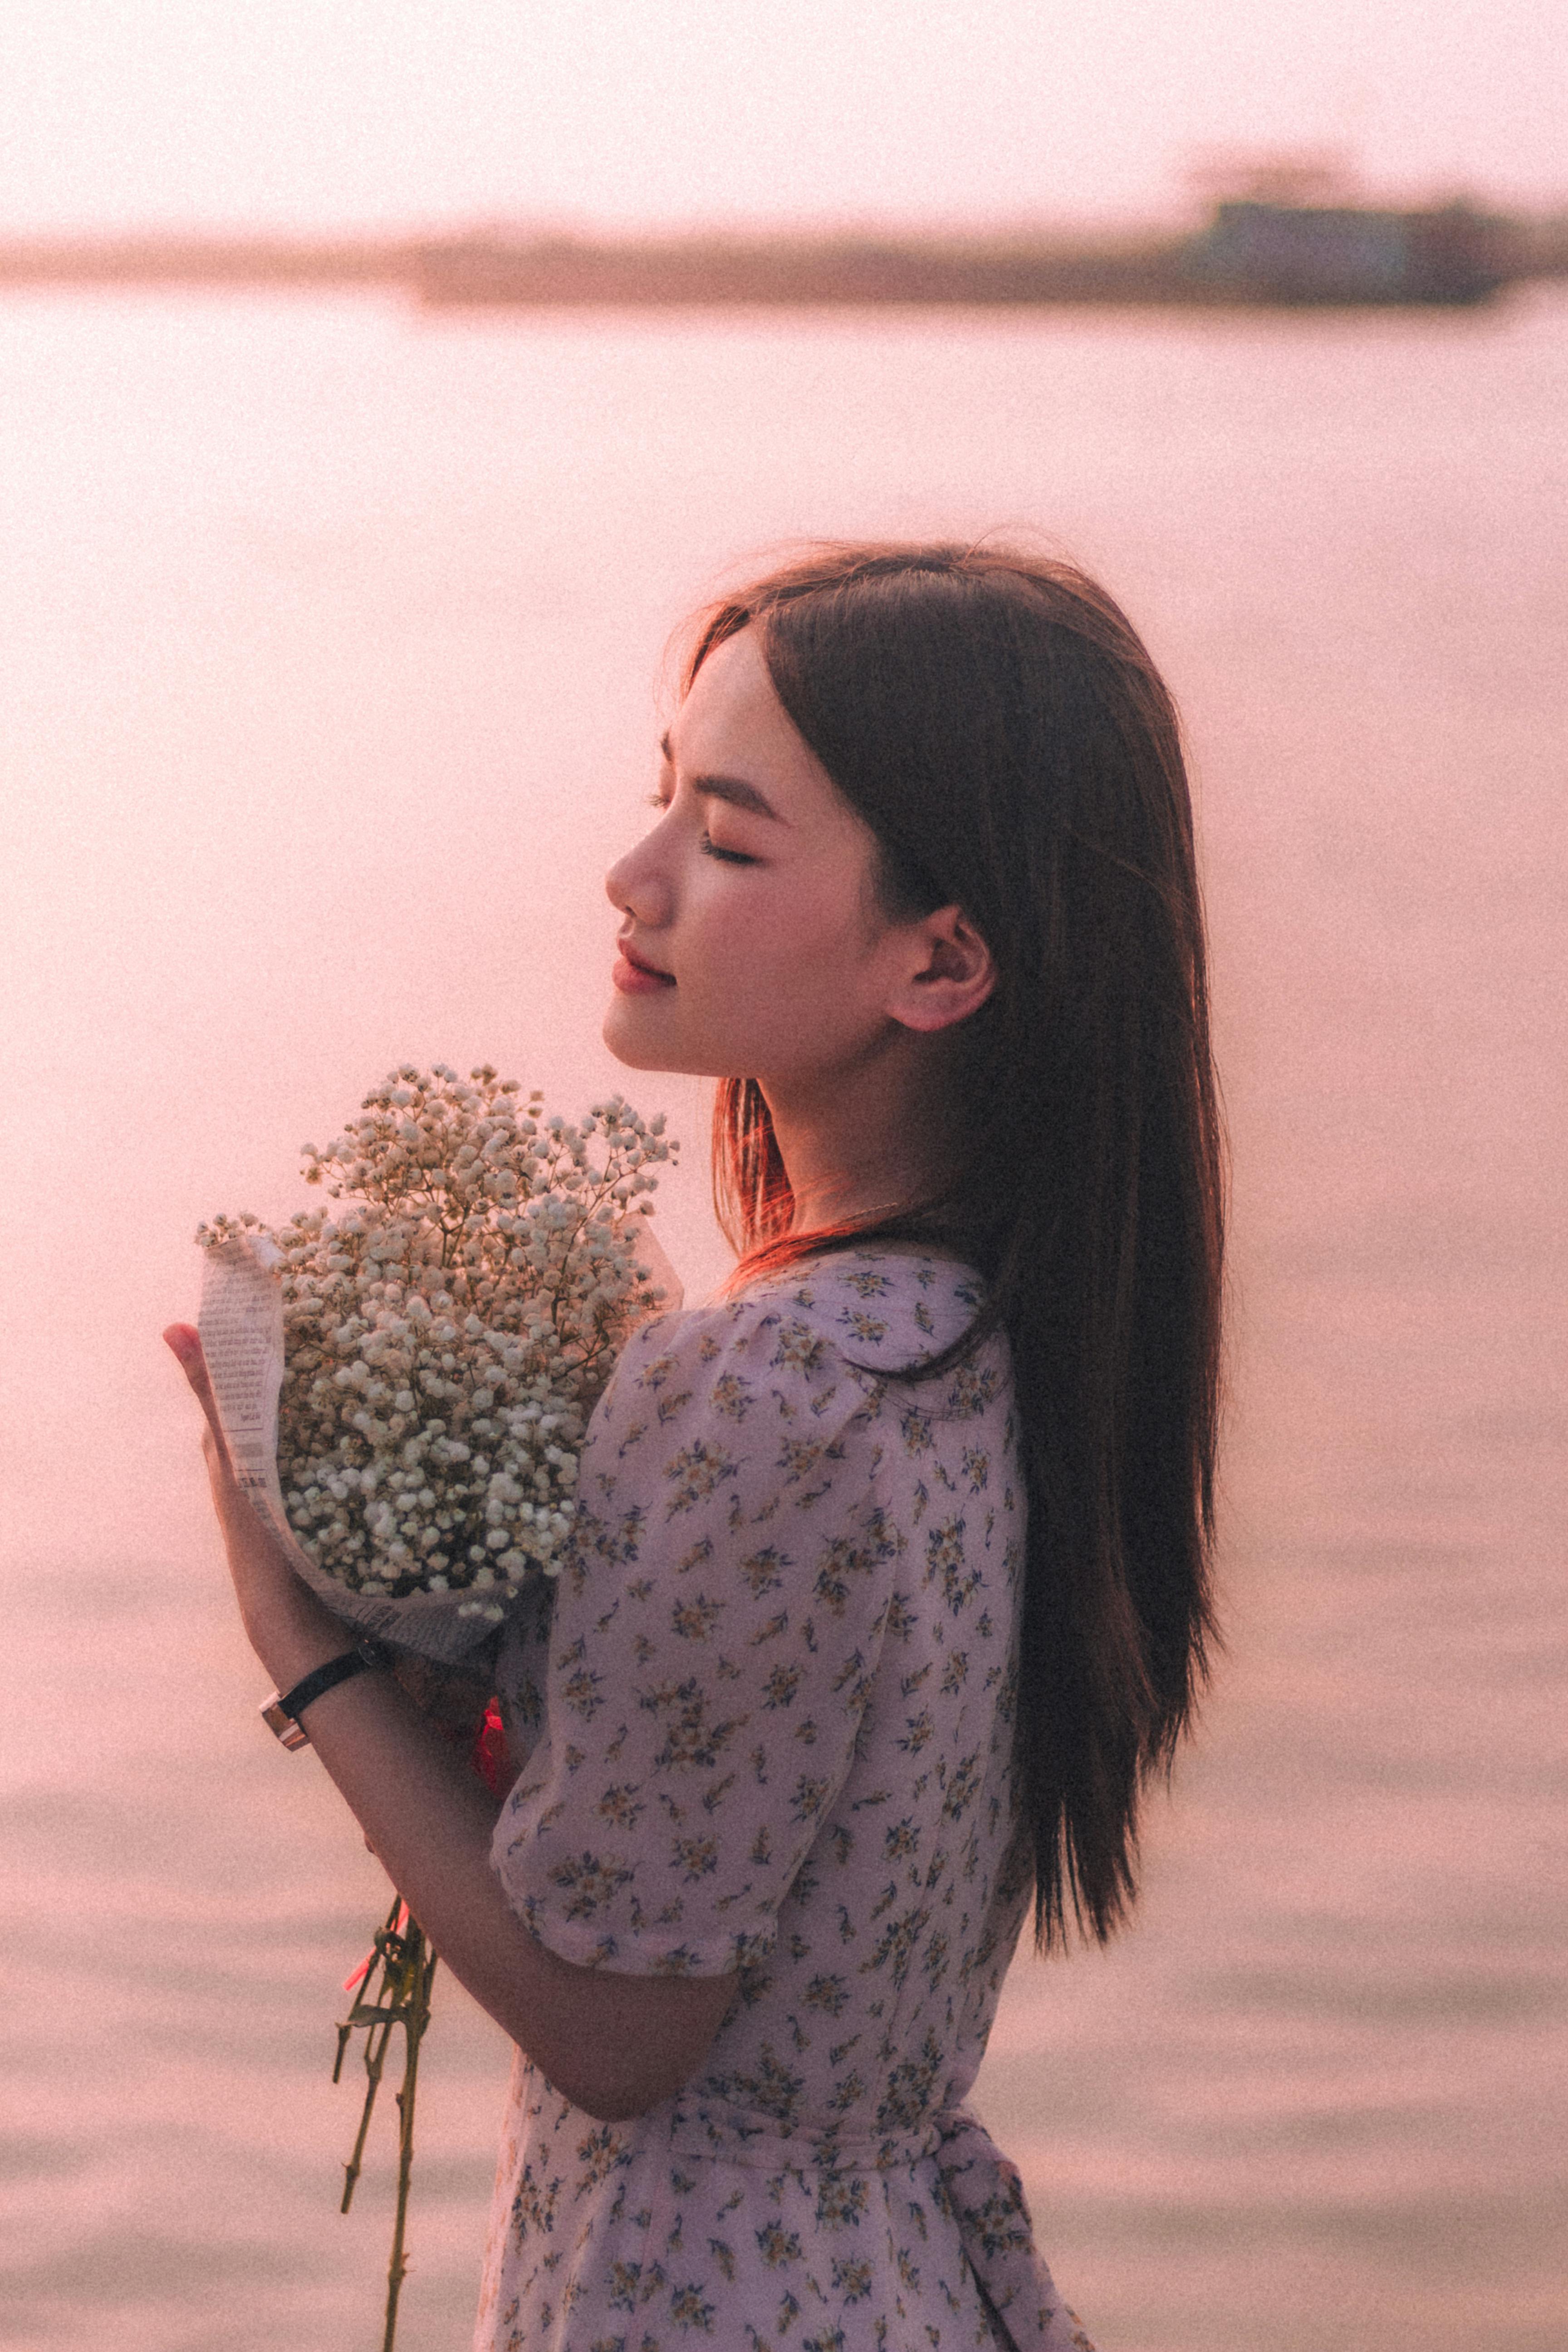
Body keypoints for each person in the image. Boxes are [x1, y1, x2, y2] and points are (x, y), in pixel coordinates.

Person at [167, 540, 1224, 2352]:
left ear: (942, 960)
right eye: (664, 797)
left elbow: (618, 2031)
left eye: (728, 841)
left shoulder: (760, 1390)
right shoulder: (988, 1338)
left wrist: (307, 1641)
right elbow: (737, 1842)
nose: (634, 873)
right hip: (905, 2276)